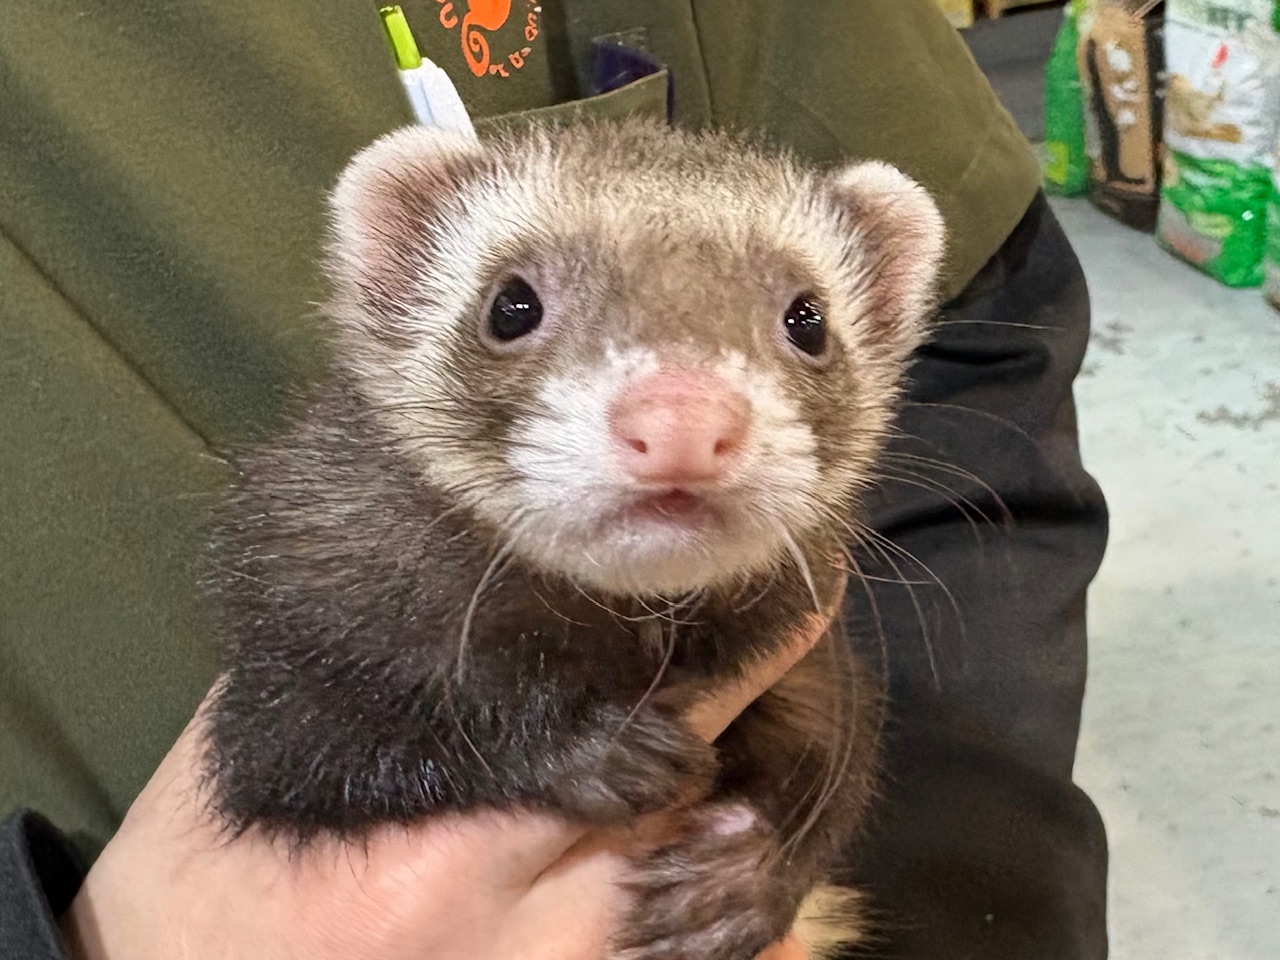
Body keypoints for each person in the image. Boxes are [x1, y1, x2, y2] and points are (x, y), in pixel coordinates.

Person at [0, 1, 1110, 957]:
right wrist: (524, 750)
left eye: (803, 328)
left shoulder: (791, 574)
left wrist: (768, 857)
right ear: (393, 296)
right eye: (517, 313)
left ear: (886, 320)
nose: (684, 425)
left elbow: (986, 401)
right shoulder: (332, 580)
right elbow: (299, 755)